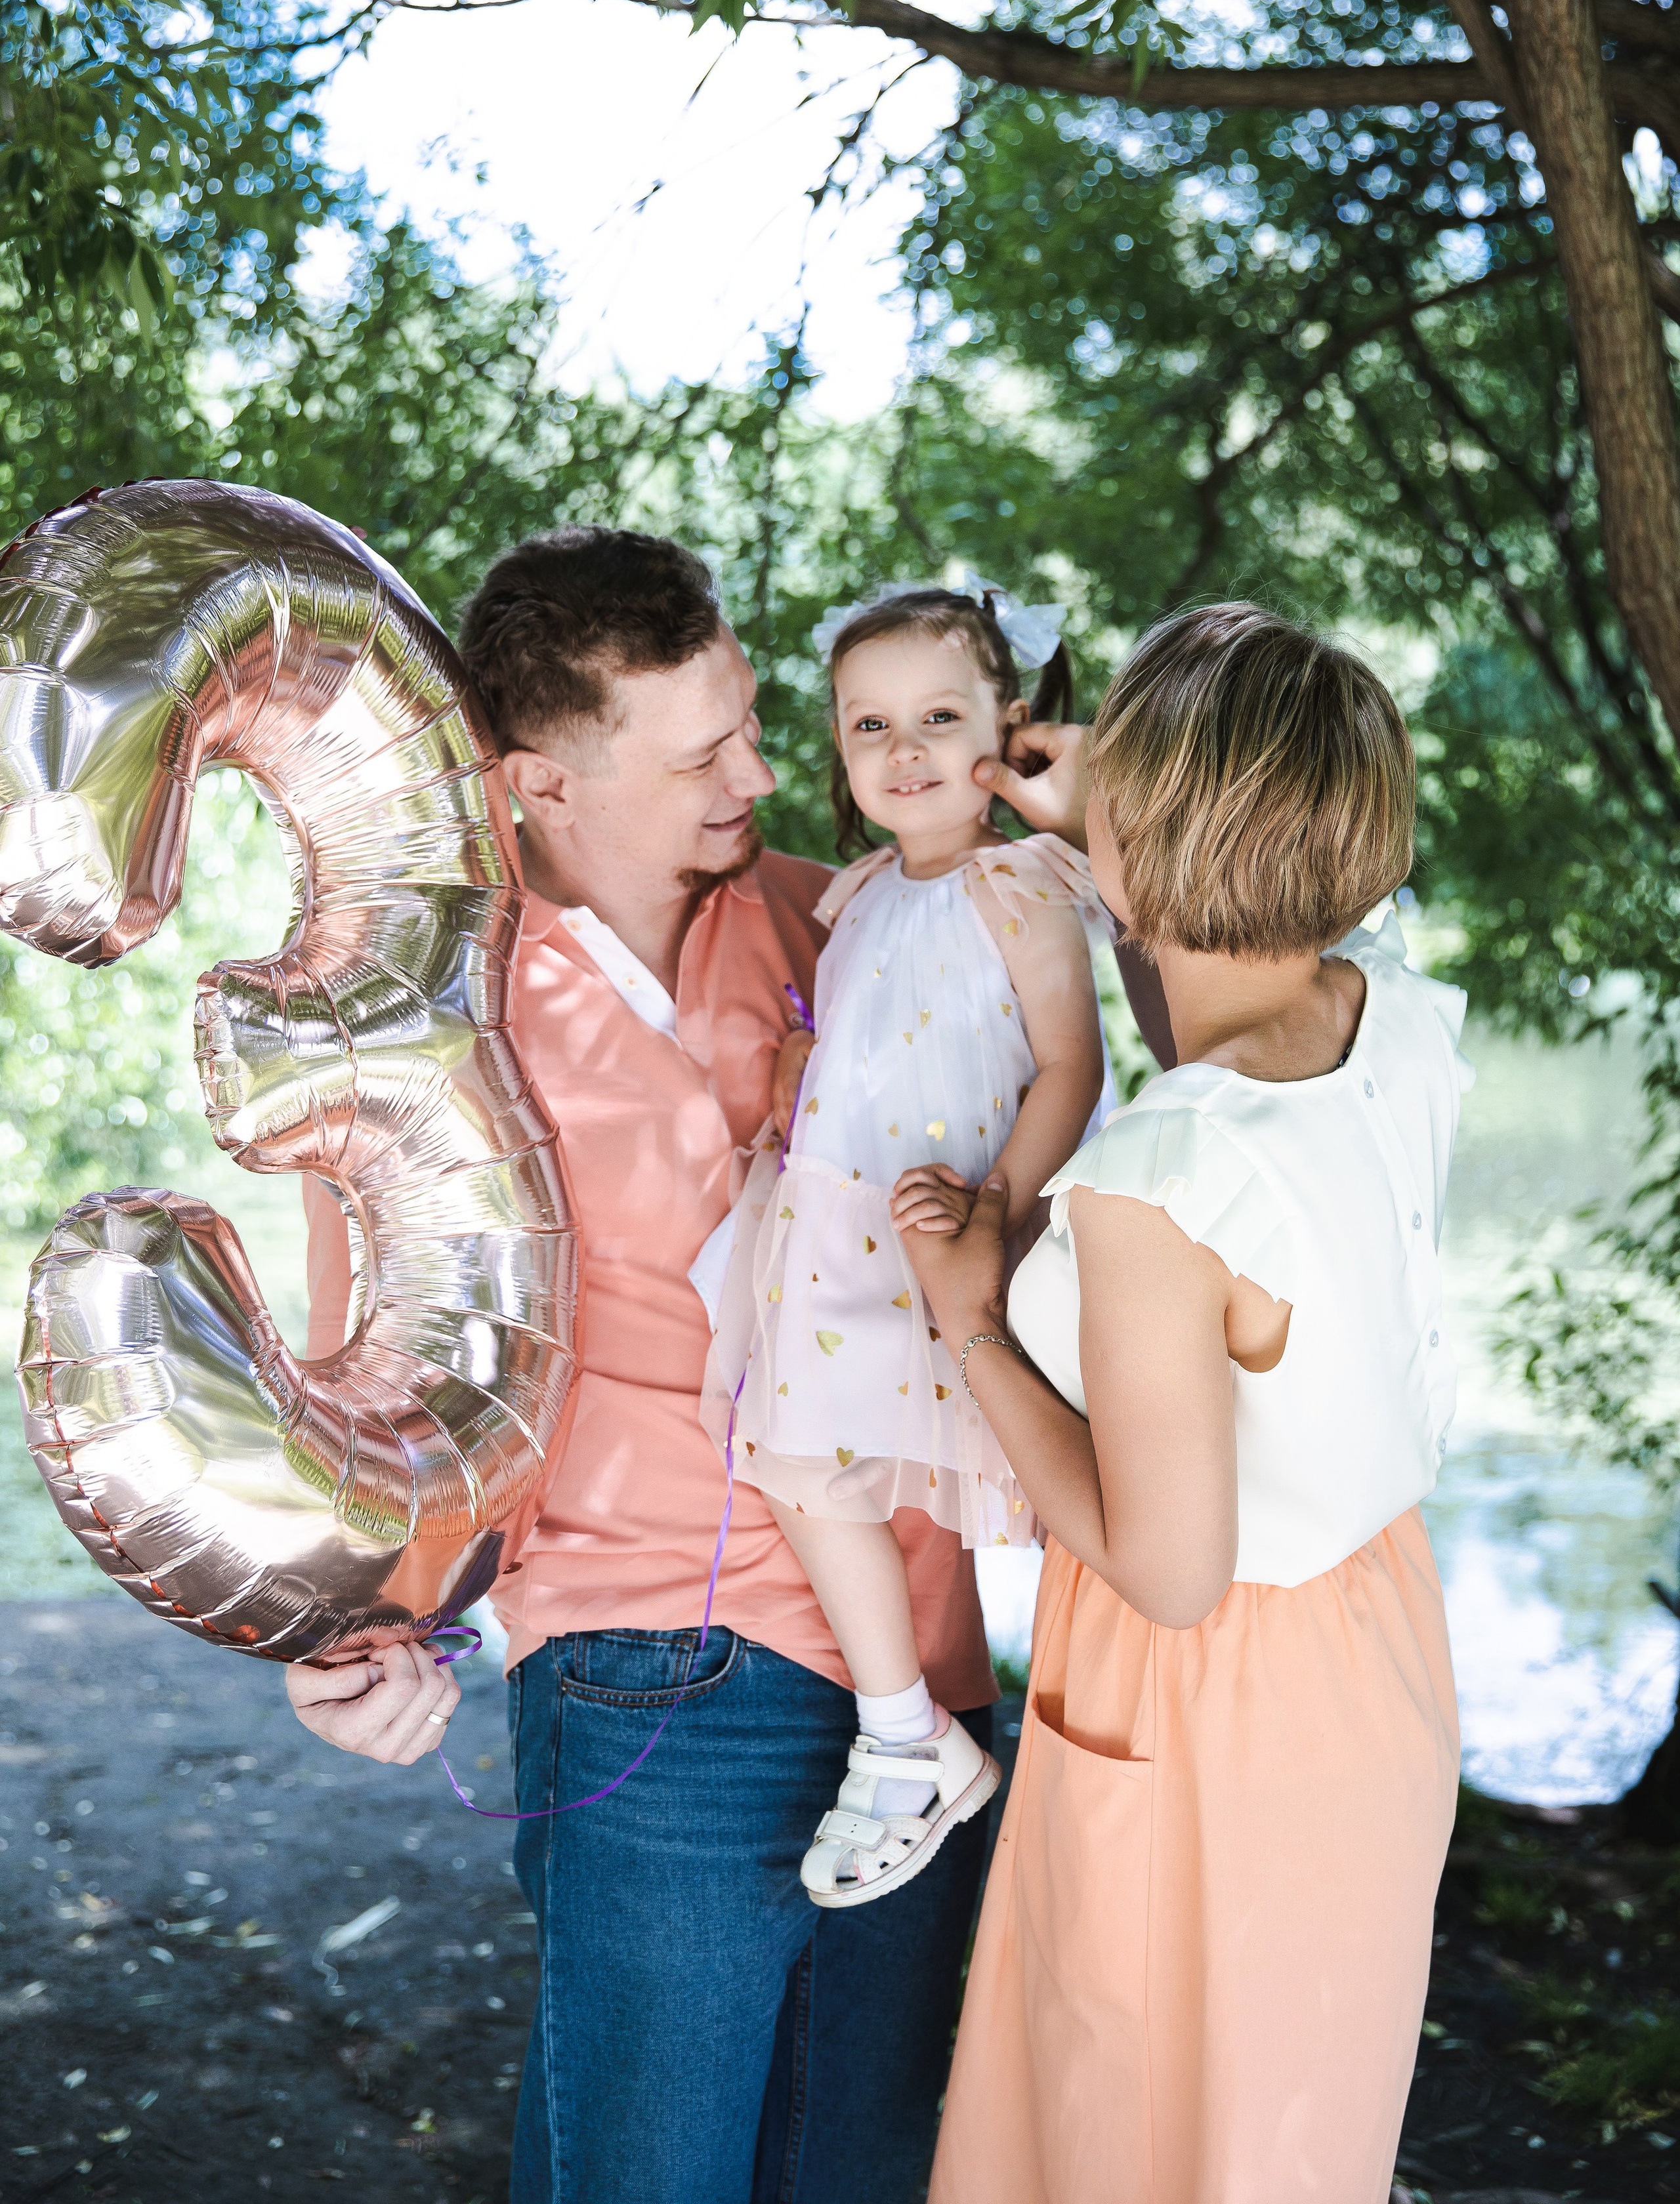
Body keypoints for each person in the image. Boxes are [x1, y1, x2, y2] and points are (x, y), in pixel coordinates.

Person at [278, 530, 1120, 2204]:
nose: (758, 774)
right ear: (539, 782)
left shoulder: (858, 912)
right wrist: (357, 1631)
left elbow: (1121, 1037)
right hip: (653, 1680)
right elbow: (381, 1393)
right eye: (700, 757)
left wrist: (1087, 809)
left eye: (750, 725)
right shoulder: (417, 1020)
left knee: (858, 2177)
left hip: (918, 1673)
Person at [899, 602, 1465, 2204]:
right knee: (1290, 2122)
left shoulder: (1158, 1180)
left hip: (1211, 1691)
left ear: (1132, 857)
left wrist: (974, 1331)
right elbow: (1223, 1021)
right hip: (1375, 1644)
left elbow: (1165, 1568)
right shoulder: (1390, 1019)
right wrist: (1127, 832)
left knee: (1128, 2121)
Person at [700, 580, 1110, 1909]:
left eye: (940, 716)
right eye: (869, 724)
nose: (906, 749)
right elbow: (870, 1047)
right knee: (796, 1464)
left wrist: (997, 1207)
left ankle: (1023, 1761)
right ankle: (902, 1735)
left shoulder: (1022, 884)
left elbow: (1067, 1065)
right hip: (837, 1233)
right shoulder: (860, 892)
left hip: (946, 1240)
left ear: (1009, 721)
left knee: (1035, 1496)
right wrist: (806, 1074)